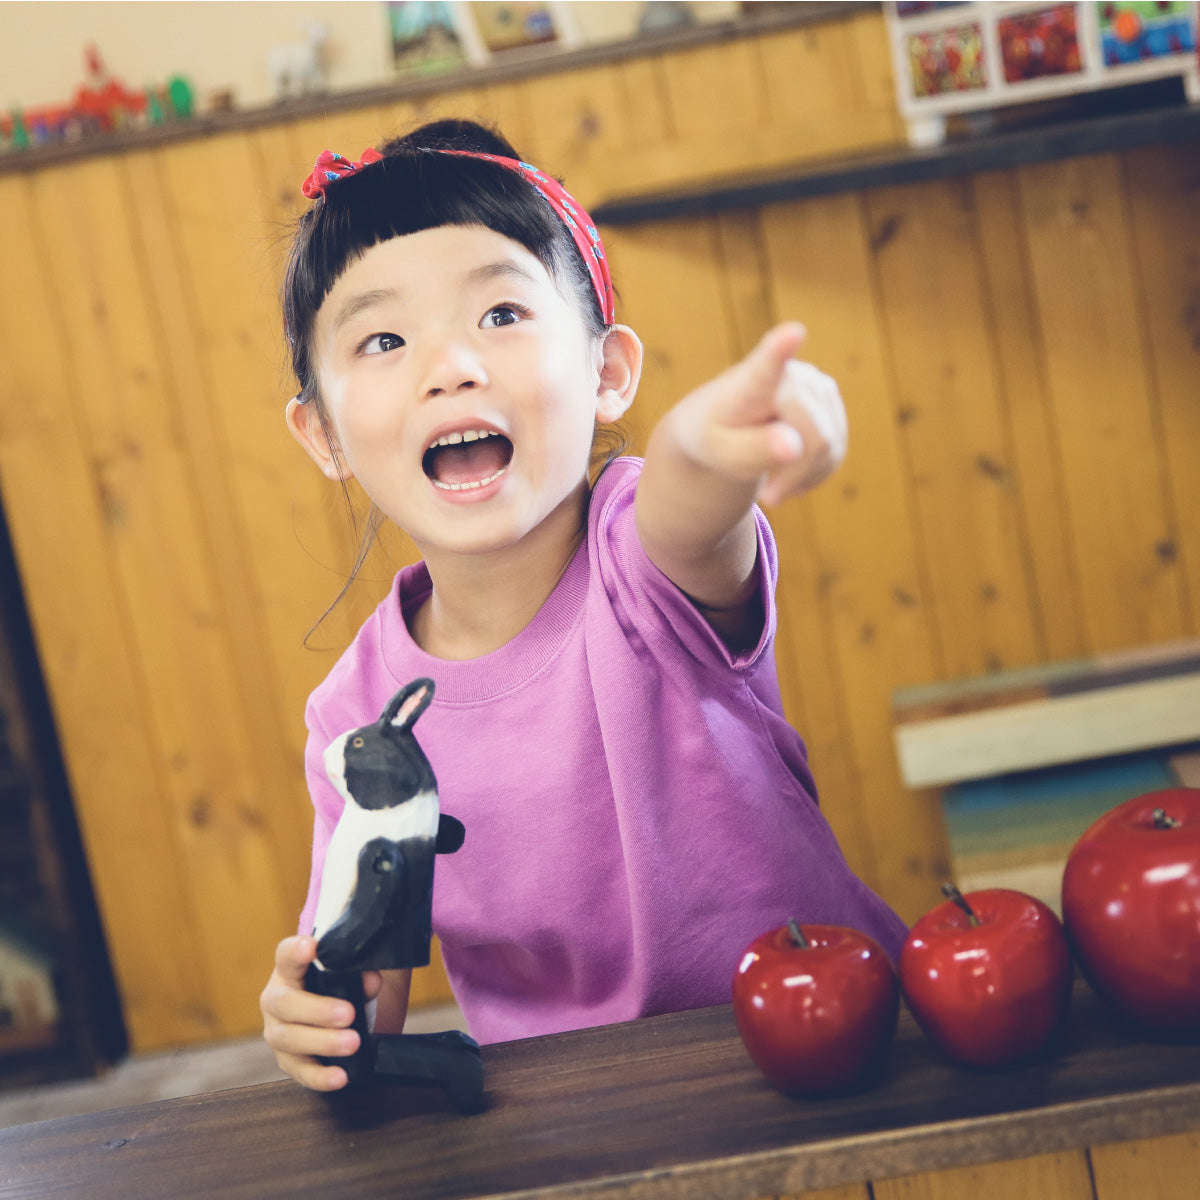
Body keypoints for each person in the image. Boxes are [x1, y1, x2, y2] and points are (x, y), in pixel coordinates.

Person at [260, 119, 907, 1092]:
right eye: (384, 339)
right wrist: (318, 1015)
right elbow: (364, 980)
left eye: (502, 314)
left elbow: (689, 501)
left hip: (831, 1051)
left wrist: (712, 438)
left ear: (607, 373)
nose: (452, 365)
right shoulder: (354, 718)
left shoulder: (640, 564)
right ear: (323, 434)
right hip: (573, 1124)